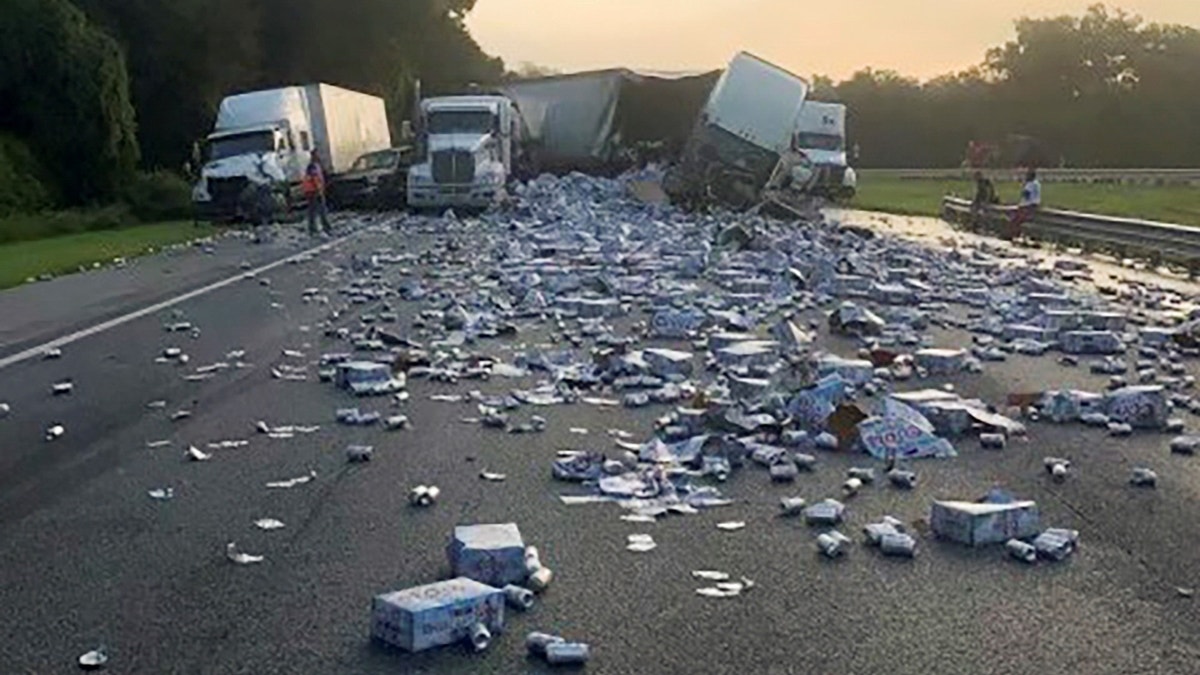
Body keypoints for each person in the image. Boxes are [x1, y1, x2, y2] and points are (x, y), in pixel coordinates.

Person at [1008, 168, 1041, 241]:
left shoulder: (1030, 184)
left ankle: (1014, 235)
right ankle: (1016, 234)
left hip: (1027, 206)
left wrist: (1023, 186)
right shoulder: (1037, 183)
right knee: (1016, 219)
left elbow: (1026, 195)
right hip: (1032, 205)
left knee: (1015, 220)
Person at [303, 153, 331, 236]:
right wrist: (320, 191)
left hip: (310, 191)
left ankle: (312, 228)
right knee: (321, 209)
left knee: (312, 211)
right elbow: (315, 179)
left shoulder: (311, 166)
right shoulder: (314, 167)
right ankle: (325, 226)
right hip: (314, 191)